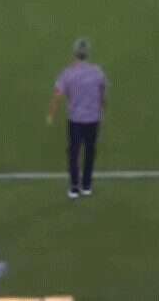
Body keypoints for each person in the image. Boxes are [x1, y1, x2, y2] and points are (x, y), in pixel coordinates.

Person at [46, 38, 107, 199]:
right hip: (93, 119)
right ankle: (86, 185)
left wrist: (51, 114)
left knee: (74, 153)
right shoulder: (97, 72)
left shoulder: (68, 73)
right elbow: (102, 93)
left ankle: (74, 187)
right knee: (90, 151)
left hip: (75, 121)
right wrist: (102, 111)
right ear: (88, 54)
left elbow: (57, 95)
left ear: (74, 53)